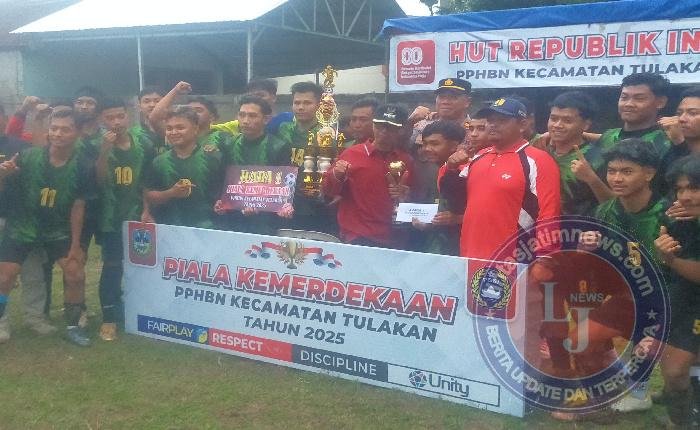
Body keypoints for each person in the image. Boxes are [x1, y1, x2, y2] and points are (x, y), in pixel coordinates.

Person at [0, 109, 95, 346]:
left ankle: (73, 327)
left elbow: (78, 207)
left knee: (75, 272)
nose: (58, 134)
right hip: (23, 225)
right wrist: (3, 175)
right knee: (5, 276)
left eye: (65, 129)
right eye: (54, 128)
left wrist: (76, 244)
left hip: (57, 230)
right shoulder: (27, 156)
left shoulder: (83, 165)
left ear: (77, 132)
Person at [451, 97, 561, 260]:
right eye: (490, 120)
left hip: (513, 259)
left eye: (502, 120)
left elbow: (549, 212)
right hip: (470, 254)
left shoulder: (538, 160)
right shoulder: (479, 156)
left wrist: (545, 257)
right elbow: (453, 198)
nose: (493, 125)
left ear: (522, 124)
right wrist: (450, 167)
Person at [95, 98, 155, 341]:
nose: (116, 122)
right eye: (110, 118)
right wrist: (103, 152)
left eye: (120, 116)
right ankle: (108, 318)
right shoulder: (96, 144)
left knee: (143, 264)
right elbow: (98, 181)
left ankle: (139, 310)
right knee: (112, 266)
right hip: (110, 218)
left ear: (128, 116)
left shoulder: (143, 143)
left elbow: (147, 181)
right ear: (102, 120)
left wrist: (147, 209)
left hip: (137, 216)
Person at [322, 104, 413, 248]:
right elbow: (328, 191)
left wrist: (406, 195)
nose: (383, 131)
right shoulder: (351, 154)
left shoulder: (406, 160)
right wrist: (336, 175)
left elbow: (416, 197)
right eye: (379, 126)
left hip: (395, 237)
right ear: (373, 125)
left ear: (401, 130)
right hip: (358, 235)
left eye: (390, 127)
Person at [0, 104, 54, 342]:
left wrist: (40, 119)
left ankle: (35, 318)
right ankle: (1, 323)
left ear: (4, 119)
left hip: (23, 219)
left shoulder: (18, 146)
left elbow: (41, 161)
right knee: (3, 277)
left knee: (33, 272)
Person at [653, 154, 700, 427]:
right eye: (680, 189)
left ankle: (685, 418)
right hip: (682, 297)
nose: (685, 196)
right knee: (677, 368)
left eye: (694, 188)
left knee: (675, 369)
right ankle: (683, 415)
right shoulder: (678, 217)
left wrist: (669, 259)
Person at [214, 95, 292, 235]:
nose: (245, 121)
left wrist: (261, 204)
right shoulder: (228, 144)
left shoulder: (278, 146)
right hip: (233, 219)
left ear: (266, 119)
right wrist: (220, 202)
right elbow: (221, 179)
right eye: (242, 115)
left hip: (266, 220)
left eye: (252, 116)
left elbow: (283, 187)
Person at [143, 106, 223, 229]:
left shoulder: (214, 158)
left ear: (195, 129)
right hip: (170, 228)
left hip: (209, 229)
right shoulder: (159, 162)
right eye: (169, 128)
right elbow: (149, 196)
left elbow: (226, 193)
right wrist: (171, 193)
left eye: (180, 128)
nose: (174, 132)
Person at [276, 82, 333, 233]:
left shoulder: (327, 135)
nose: (300, 107)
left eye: (307, 103)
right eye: (297, 103)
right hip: (282, 203)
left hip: (314, 208)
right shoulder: (283, 129)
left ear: (319, 105)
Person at [547, 91, 611, 215]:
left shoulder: (598, 158)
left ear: (586, 125)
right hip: (545, 226)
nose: (557, 125)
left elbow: (616, 206)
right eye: (553, 119)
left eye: (567, 120)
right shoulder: (542, 152)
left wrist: (591, 179)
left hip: (584, 226)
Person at [408, 77, 472, 203]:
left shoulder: (475, 130)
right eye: (441, 97)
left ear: (467, 102)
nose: (445, 102)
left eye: (453, 97)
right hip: (421, 195)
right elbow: (402, 147)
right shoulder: (422, 124)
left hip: (459, 198)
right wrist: (409, 122)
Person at [411, 121, 465, 255]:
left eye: (434, 144)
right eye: (425, 144)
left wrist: (458, 219)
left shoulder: (467, 171)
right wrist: (426, 223)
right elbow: (435, 209)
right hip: (436, 245)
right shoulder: (432, 170)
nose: (427, 149)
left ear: (454, 146)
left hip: (462, 247)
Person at [598, 73, 672, 158]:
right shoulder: (609, 136)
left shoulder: (665, 141)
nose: (628, 104)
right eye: (624, 97)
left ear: (661, 102)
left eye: (639, 98)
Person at [149, 81, 232, 151]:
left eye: (198, 110)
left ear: (212, 117)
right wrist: (175, 90)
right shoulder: (176, 135)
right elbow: (154, 118)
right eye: (189, 110)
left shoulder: (221, 138)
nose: (193, 113)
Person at [212, 79, 293, 136]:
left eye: (261, 95)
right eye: (251, 96)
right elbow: (210, 129)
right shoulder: (239, 124)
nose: (255, 99)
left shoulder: (288, 120)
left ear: (273, 98)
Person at [130, 86, 166, 154]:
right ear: (139, 106)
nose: (152, 105)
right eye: (146, 101)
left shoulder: (174, 130)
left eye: (157, 101)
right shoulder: (134, 134)